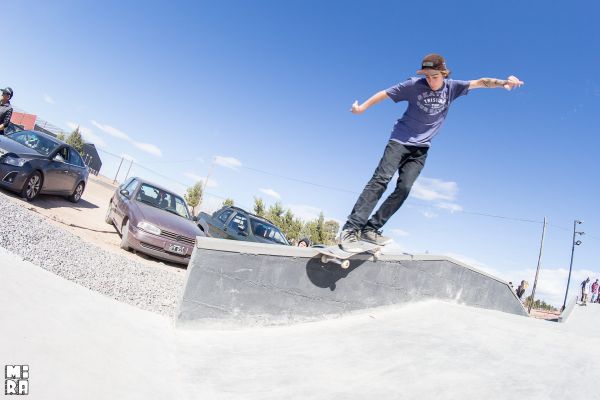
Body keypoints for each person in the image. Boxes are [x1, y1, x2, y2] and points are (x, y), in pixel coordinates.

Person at [339, 54, 524, 251]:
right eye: (427, 76)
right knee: (381, 180)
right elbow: (384, 93)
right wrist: (362, 109)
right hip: (399, 140)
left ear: (444, 73)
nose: (430, 80)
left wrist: (505, 82)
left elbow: (480, 82)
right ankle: (351, 229)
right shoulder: (413, 85)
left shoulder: (453, 87)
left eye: (434, 76)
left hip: (421, 148)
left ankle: (371, 229)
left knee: (404, 189)